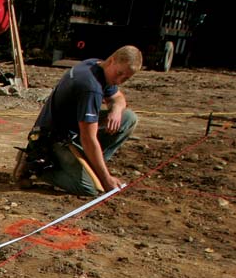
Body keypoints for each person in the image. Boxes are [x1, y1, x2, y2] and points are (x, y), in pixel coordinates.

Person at [13, 45, 142, 195]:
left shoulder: (95, 65)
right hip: (53, 140)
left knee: (128, 118)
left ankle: (91, 168)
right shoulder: (90, 87)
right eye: (119, 74)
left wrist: (116, 110)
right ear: (112, 61)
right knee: (90, 188)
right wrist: (106, 179)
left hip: (73, 130)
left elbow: (118, 97)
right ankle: (36, 166)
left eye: (126, 78)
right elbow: (88, 138)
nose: (120, 80)